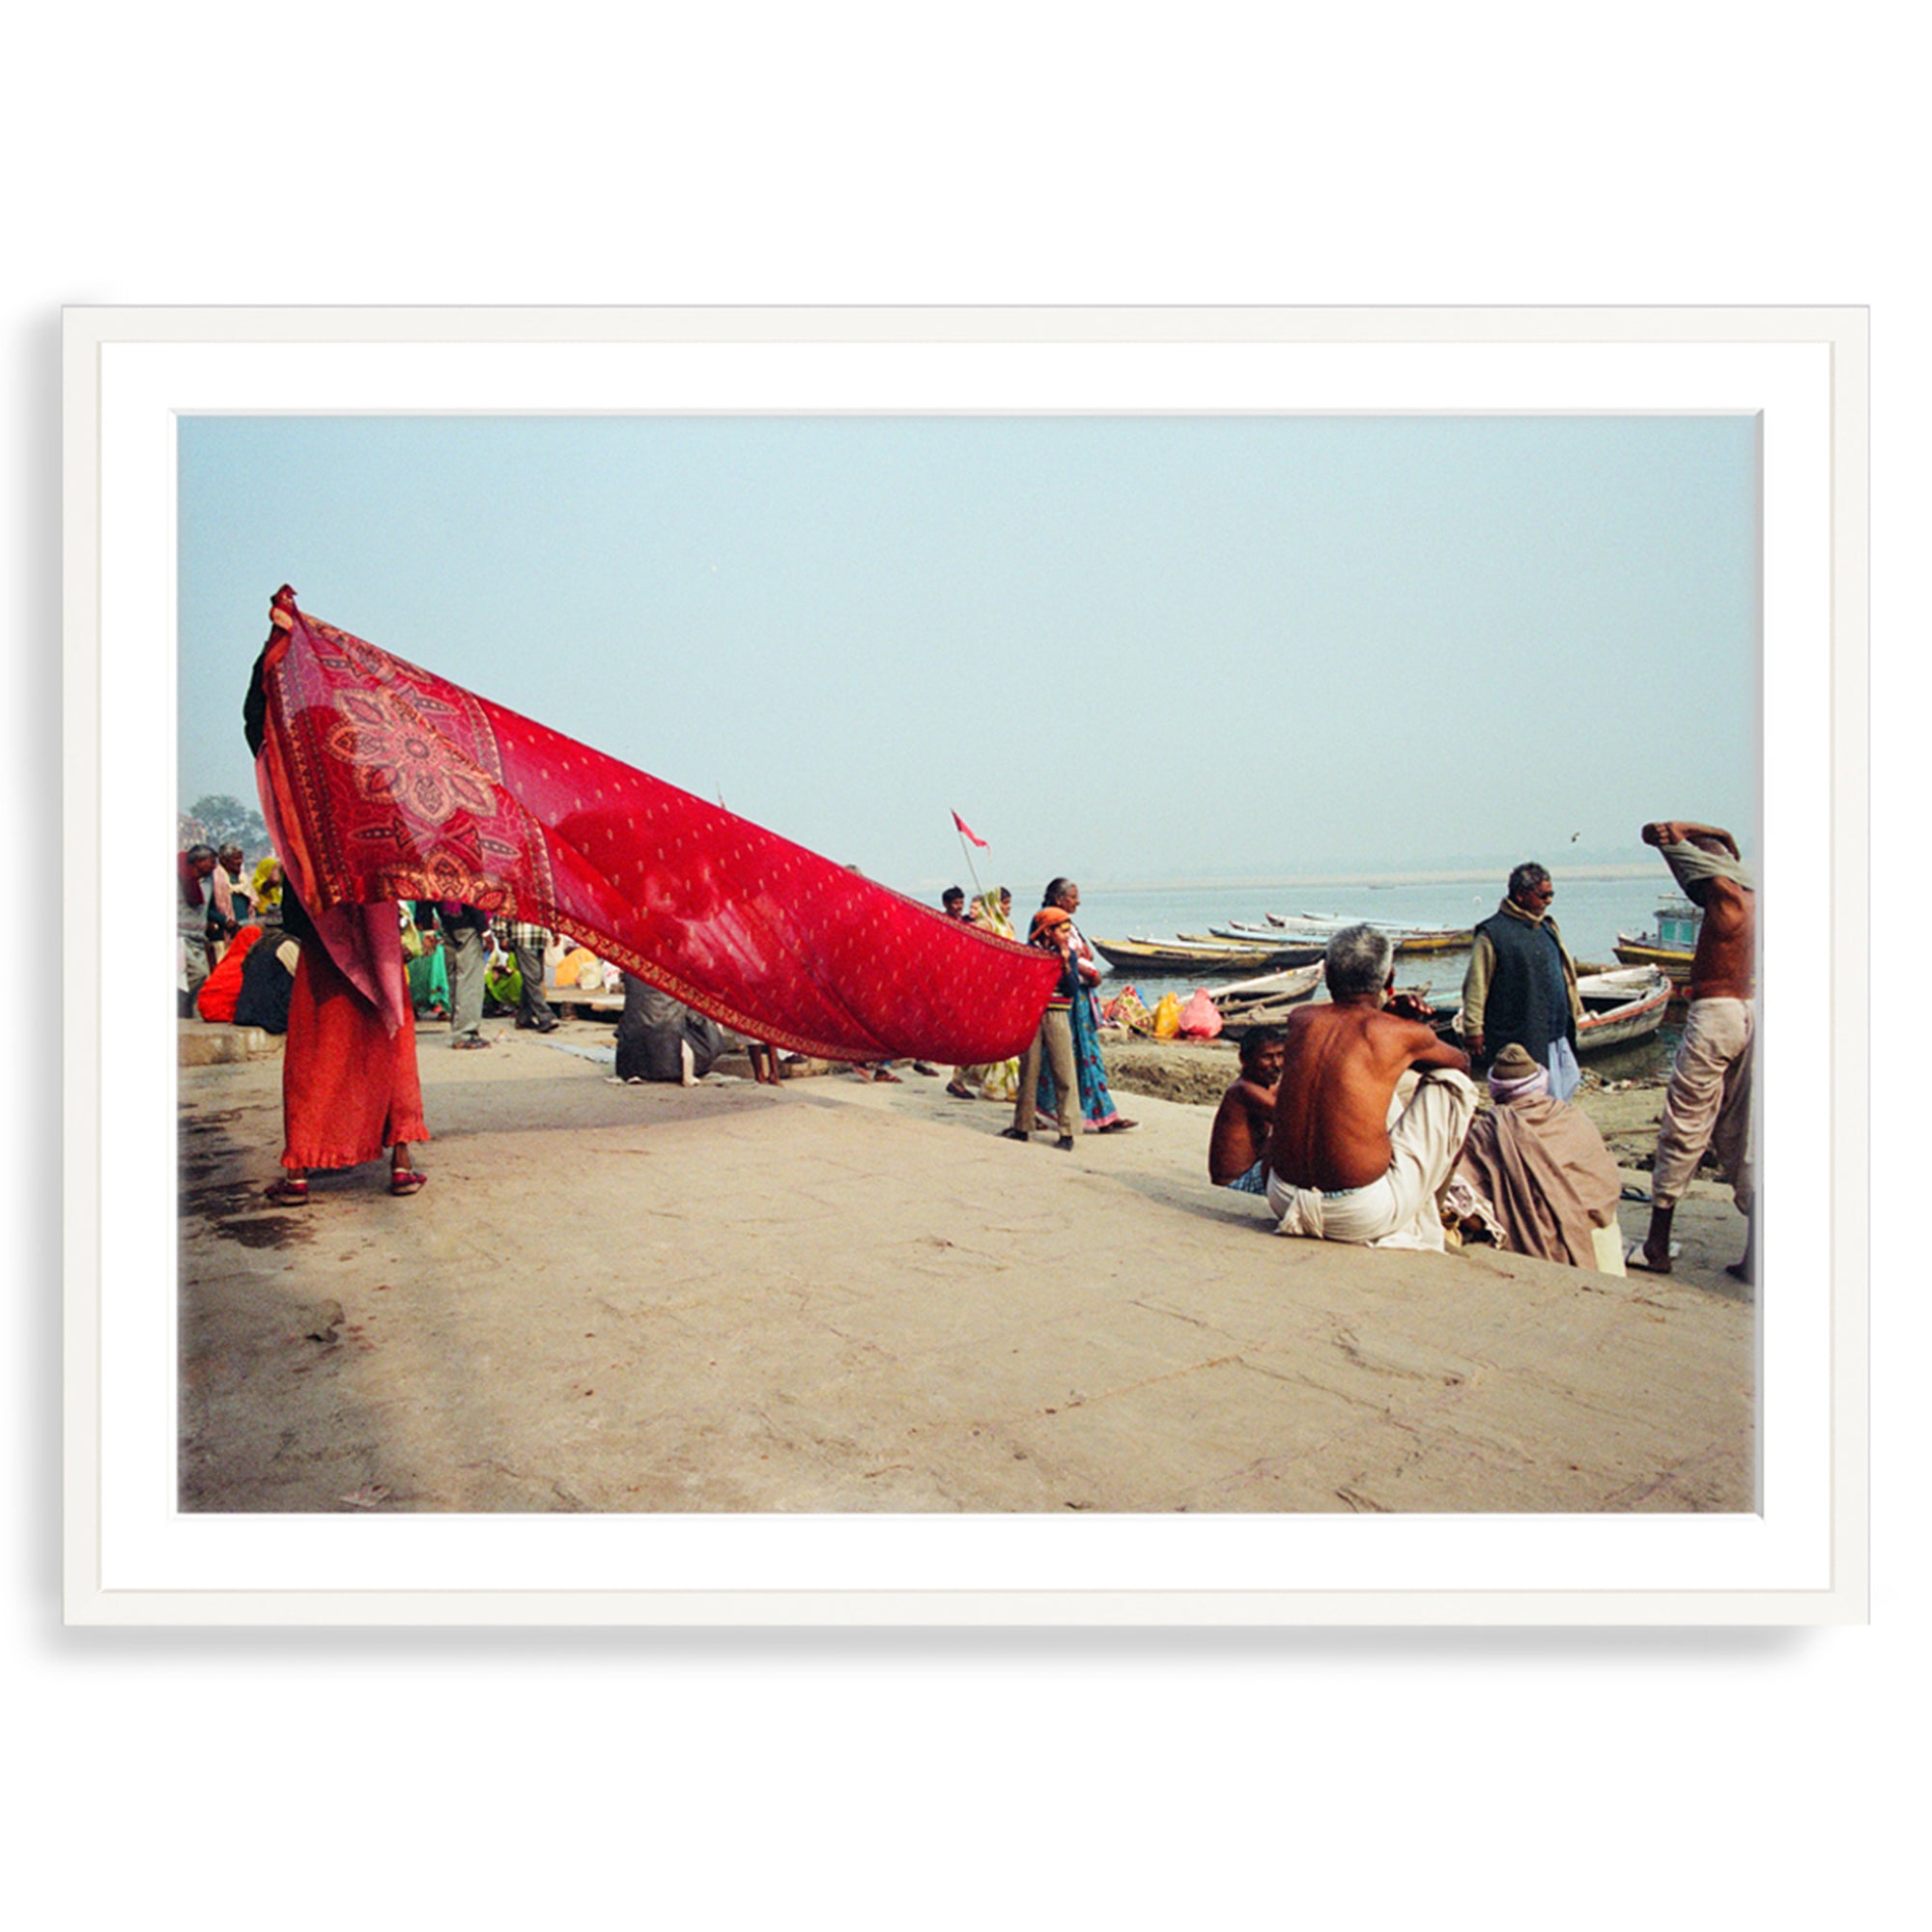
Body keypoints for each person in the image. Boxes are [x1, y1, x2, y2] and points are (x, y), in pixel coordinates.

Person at [244, 627, 428, 1205]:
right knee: (390, 1045)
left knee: (318, 1053)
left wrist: (271, 655)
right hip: (375, 939)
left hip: (324, 935)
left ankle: (301, 1169)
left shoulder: (298, 778)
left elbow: (257, 722)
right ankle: (399, 1162)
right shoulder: (375, 782)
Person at [1266, 923, 1478, 1250]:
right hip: (1359, 1213)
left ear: (1327, 975)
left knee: (1369, 1075)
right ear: (1389, 978)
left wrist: (1394, 1026)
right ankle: (1430, 1213)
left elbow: (1352, 1038)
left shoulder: (1300, 1019)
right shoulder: (1398, 1033)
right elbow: (1461, 1063)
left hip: (1283, 1198)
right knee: (1454, 1085)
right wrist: (1407, 1026)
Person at [1633, 820, 1756, 1281]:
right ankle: (1755, 1256)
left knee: (1684, 1125)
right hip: (1747, 1012)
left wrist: (1695, 832)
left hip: (1716, 1015)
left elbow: (1656, 832)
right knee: (1742, 1131)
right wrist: (1722, 835)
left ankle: (1657, 1245)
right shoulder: (1751, 896)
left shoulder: (1723, 896)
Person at [1451, 1042, 1627, 1273]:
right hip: (1600, 1245)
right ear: (1541, 1083)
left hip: (1535, 1248)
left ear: (1496, 1090)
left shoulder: (1488, 1131)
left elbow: (1464, 1194)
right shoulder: (1573, 1117)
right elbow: (1606, 1182)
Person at [1461, 862, 1584, 1100]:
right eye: (1543, 895)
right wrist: (1473, 1029)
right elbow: (1477, 984)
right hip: (1520, 1031)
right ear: (1520, 895)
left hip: (1556, 1030)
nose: (1548, 901)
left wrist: (1575, 1009)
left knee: (1568, 1081)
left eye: (1551, 895)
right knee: (1533, 1094)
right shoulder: (1493, 933)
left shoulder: (1547, 927)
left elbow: (1565, 972)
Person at [1036, 877, 1136, 1133]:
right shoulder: (1046, 921)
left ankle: (1102, 1113)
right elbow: (1053, 953)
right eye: (1073, 897)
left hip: (1079, 999)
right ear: (1059, 898)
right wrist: (1089, 973)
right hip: (1063, 999)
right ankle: (1042, 1110)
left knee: (1085, 1053)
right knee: (1059, 1055)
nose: (1078, 902)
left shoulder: (1068, 924)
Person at [1003, 906, 1081, 1150]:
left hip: (1058, 1015)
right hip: (1032, 1016)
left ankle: (1067, 1132)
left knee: (1064, 1071)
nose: (1068, 935)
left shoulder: (1069, 956)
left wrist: (1067, 964)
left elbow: (1072, 989)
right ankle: (1022, 1126)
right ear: (1048, 931)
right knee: (1029, 1070)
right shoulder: (1029, 954)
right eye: (1063, 930)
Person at [952, 887, 1022, 1101]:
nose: (1008, 907)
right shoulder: (985, 925)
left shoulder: (1008, 925)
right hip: (987, 988)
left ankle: (1002, 1085)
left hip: (1006, 988)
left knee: (1004, 1036)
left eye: (1009, 903)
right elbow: (969, 952)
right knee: (981, 1036)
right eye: (1005, 903)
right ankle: (959, 1079)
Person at [1208, 1027, 1287, 1193]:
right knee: (1291, 1139)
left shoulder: (1268, 1088)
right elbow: (1292, 1121)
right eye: (1267, 1057)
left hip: (1253, 1169)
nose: (1276, 1064)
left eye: (1280, 1055)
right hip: (1237, 1183)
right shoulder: (1243, 1090)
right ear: (1244, 1060)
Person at [615, 975, 727, 1084]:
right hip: (669, 1057)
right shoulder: (678, 967)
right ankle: (687, 1075)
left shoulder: (635, 963)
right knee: (694, 1019)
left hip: (632, 1061)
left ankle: (635, 1073)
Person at [498, 913, 558, 1034]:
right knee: (533, 978)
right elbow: (504, 911)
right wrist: (502, 935)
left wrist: (553, 930)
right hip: (523, 937)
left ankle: (523, 1017)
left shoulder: (542, 894)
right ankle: (544, 1016)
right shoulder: (517, 893)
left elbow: (547, 911)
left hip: (539, 938)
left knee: (533, 978)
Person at [177, 844, 218, 1005]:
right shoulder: (177, 879)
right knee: (198, 974)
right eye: (211, 862)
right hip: (180, 938)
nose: (214, 866)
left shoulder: (209, 882)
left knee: (204, 984)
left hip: (199, 939)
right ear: (199, 861)